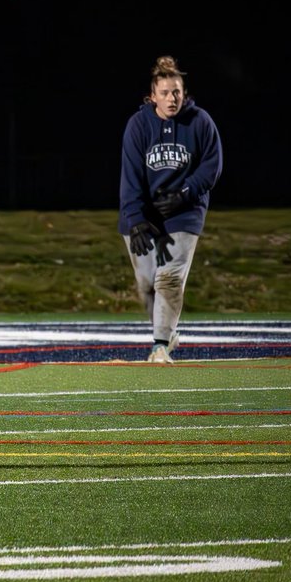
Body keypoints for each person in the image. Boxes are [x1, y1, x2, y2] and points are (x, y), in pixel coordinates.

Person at [118, 55, 223, 363]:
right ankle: (167, 331)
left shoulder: (200, 121)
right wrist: (135, 220)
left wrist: (185, 193)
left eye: (176, 91)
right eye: (164, 92)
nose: (172, 98)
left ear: (184, 92)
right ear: (152, 96)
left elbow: (212, 166)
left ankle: (159, 346)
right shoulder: (138, 125)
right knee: (148, 285)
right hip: (145, 215)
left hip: (184, 212)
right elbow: (131, 176)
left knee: (169, 278)